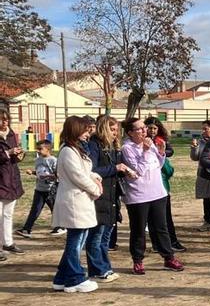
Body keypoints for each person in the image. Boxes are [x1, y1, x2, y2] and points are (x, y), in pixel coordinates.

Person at [120, 118, 185, 274]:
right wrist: (145, 151)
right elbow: (137, 172)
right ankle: (138, 260)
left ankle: (168, 257)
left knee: (161, 227)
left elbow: (158, 166)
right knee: (138, 229)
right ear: (130, 133)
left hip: (157, 192)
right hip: (138, 196)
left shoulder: (149, 143)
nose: (144, 131)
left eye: (144, 128)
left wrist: (161, 153)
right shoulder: (127, 148)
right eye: (139, 129)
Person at [51, 116, 103, 292]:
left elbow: (85, 171)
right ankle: (75, 278)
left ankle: (61, 277)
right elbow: (78, 176)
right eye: (84, 129)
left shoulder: (77, 149)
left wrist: (96, 178)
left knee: (78, 239)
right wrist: (95, 189)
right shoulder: (68, 151)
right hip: (74, 201)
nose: (88, 133)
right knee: (75, 240)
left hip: (80, 200)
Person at [84, 115, 131, 283]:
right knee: (96, 236)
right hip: (99, 195)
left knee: (105, 236)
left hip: (111, 195)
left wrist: (124, 170)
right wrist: (114, 168)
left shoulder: (112, 146)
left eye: (116, 130)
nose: (115, 133)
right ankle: (97, 270)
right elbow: (93, 170)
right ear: (103, 128)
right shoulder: (94, 145)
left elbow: (114, 168)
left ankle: (105, 266)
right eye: (112, 130)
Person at [145, 117, 185, 252]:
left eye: (155, 128)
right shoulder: (141, 142)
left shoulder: (161, 140)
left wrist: (159, 151)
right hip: (147, 183)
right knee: (151, 217)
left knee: (166, 216)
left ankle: (172, 241)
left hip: (161, 182)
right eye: (150, 128)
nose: (152, 131)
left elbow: (170, 151)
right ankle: (156, 244)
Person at [17, 140, 64, 238]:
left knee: (55, 209)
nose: (38, 151)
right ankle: (27, 229)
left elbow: (58, 174)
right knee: (35, 210)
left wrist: (50, 176)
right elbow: (39, 172)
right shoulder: (38, 160)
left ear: (48, 149)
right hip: (39, 189)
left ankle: (61, 227)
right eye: (37, 148)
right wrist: (33, 172)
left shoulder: (53, 160)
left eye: (40, 149)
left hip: (51, 189)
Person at [0, 107, 25, 258]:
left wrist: (18, 155)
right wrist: (7, 153)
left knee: (8, 214)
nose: (5, 122)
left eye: (7, 119)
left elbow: (13, 159)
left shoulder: (11, 134)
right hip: (1, 178)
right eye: (2, 119)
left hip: (11, 179)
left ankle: (7, 242)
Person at [191, 119, 210, 232]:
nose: (204, 131)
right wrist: (194, 147)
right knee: (207, 199)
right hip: (204, 174)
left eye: (206, 129)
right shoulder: (200, 142)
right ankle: (207, 222)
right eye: (203, 129)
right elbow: (195, 157)